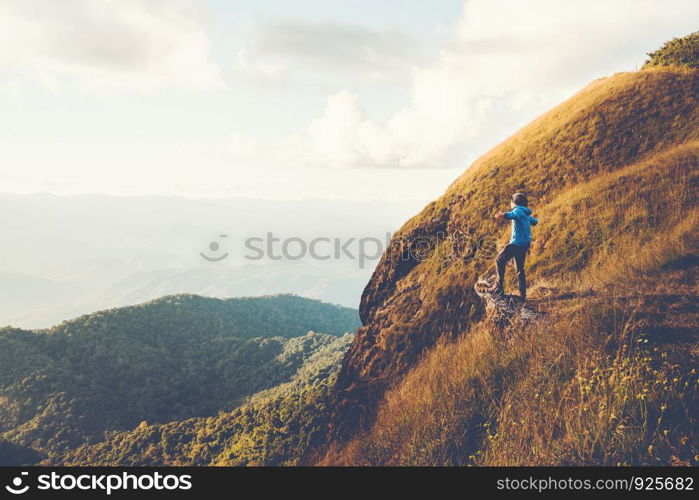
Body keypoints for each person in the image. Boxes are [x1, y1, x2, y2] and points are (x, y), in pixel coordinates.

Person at [489, 193, 538, 300]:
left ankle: (498, 287)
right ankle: (522, 294)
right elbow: (535, 222)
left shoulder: (518, 210)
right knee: (519, 268)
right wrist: (531, 220)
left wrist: (504, 215)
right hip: (524, 244)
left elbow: (513, 215)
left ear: (514, 203)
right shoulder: (525, 214)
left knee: (499, 260)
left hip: (517, 243)